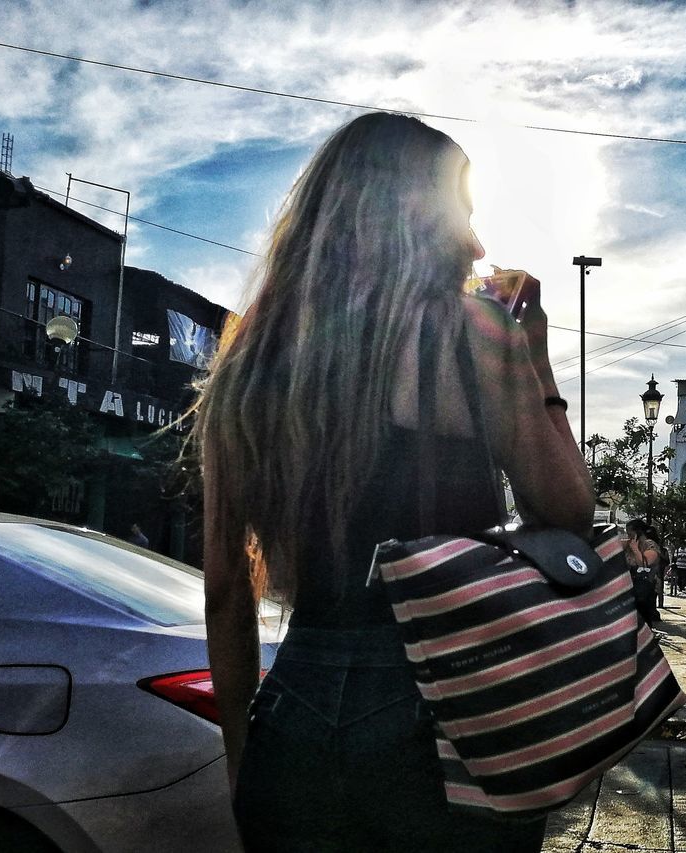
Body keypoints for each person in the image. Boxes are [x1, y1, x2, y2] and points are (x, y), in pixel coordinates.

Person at [193, 112, 594, 852]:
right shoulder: (475, 334)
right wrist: (534, 359)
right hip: (452, 708)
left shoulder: (249, 351)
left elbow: (225, 587)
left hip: (296, 707)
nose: (476, 243)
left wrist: (246, 761)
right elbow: (567, 508)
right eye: (462, 214)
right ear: (413, 216)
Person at [624, 519, 660, 626]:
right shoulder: (629, 545)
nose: (628, 536)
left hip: (645, 588)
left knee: (643, 620)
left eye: (630, 533)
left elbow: (644, 563)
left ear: (638, 532)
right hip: (631, 588)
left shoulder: (650, 545)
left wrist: (635, 549)